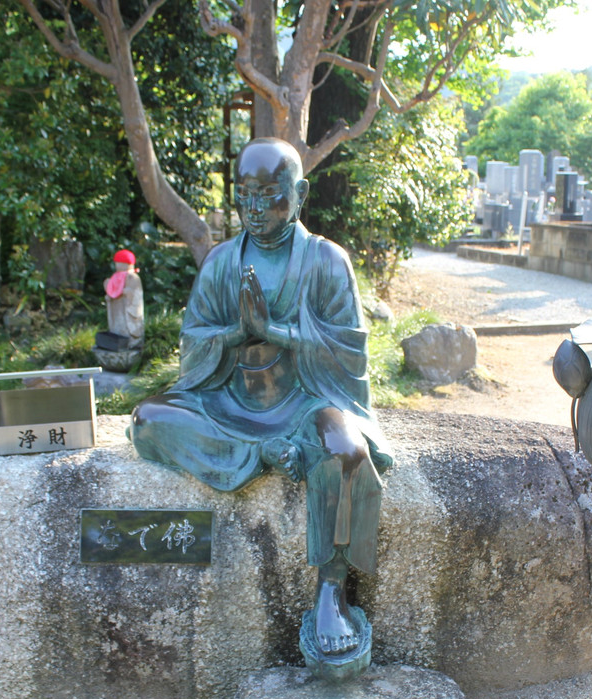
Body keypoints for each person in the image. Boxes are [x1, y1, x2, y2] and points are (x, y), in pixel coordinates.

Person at [128, 138, 393, 661]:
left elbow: (349, 356)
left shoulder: (326, 261)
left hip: (304, 401)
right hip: (230, 403)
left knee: (345, 451)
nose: (253, 208)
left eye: (268, 195)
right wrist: (236, 333)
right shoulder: (223, 262)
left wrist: (278, 330)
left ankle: (330, 590)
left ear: (299, 194)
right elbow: (194, 347)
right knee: (148, 421)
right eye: (244, 195)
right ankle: (261, 456)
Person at [104, 249, 144, 347]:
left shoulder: (133, 277)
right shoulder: (115, 277)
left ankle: (132, 342)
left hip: (127, 308)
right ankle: (117, 340)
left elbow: (135, 294)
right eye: (117, 263)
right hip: (118, 308)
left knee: (127, 326)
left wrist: (127, 292)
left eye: (120, 263)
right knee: (118, 325)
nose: (117, 266)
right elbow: (110, 291)